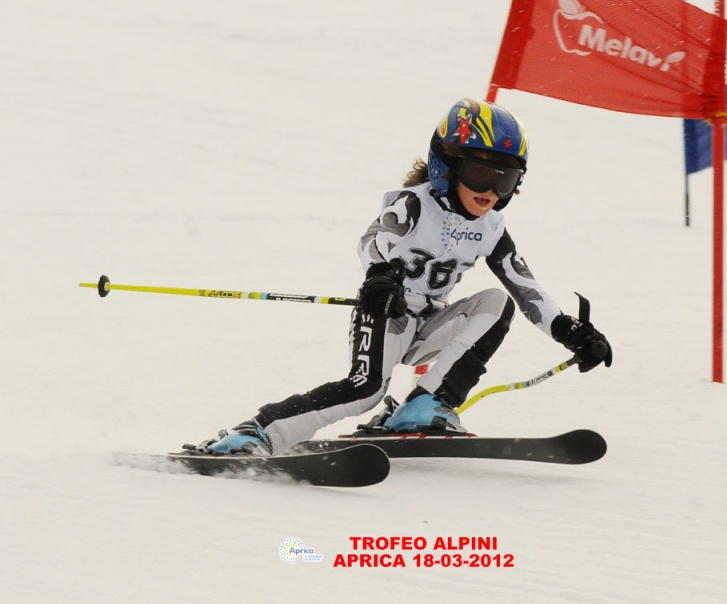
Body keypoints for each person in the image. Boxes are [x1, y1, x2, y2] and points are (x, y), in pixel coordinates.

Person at [195, 97, 612, 456]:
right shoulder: (414, 205)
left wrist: (567, 329)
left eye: (506, 178)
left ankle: (426, 403)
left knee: (496, 302)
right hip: (386, 311)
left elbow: (525, 287)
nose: (491, 190)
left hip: (431, 321)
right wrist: (379, 275)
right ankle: (257, 433)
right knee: (365, 390)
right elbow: (373, 239)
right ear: (447, 166)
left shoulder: (490, 227)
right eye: (479, 174)